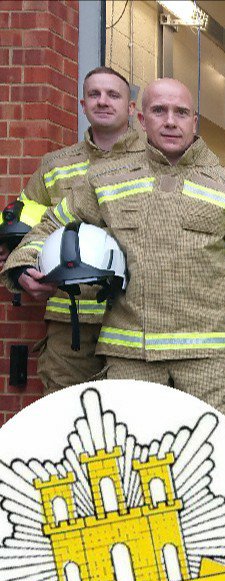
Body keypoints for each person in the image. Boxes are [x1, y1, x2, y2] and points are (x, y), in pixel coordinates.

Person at [4, 78, 225, 427]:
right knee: (132, 463)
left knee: (212, 467)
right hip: (130, 356)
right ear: (141, 119)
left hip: (209, 363)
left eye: (181, 112)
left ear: (195, 121)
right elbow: (50, 226)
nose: (170, 121)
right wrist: (25, 264)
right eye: (159, 111)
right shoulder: (105, 180)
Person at [6, 66, 145, 393]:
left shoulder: (155, 161)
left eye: (113, 94)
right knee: (66, 424)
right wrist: (21, 266)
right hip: (70, 323)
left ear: (131, 107)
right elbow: (23, 224)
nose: (103, 101)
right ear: (82, 105)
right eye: (94, 94)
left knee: (134, 422)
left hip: (136, 318)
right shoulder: (56, 165)